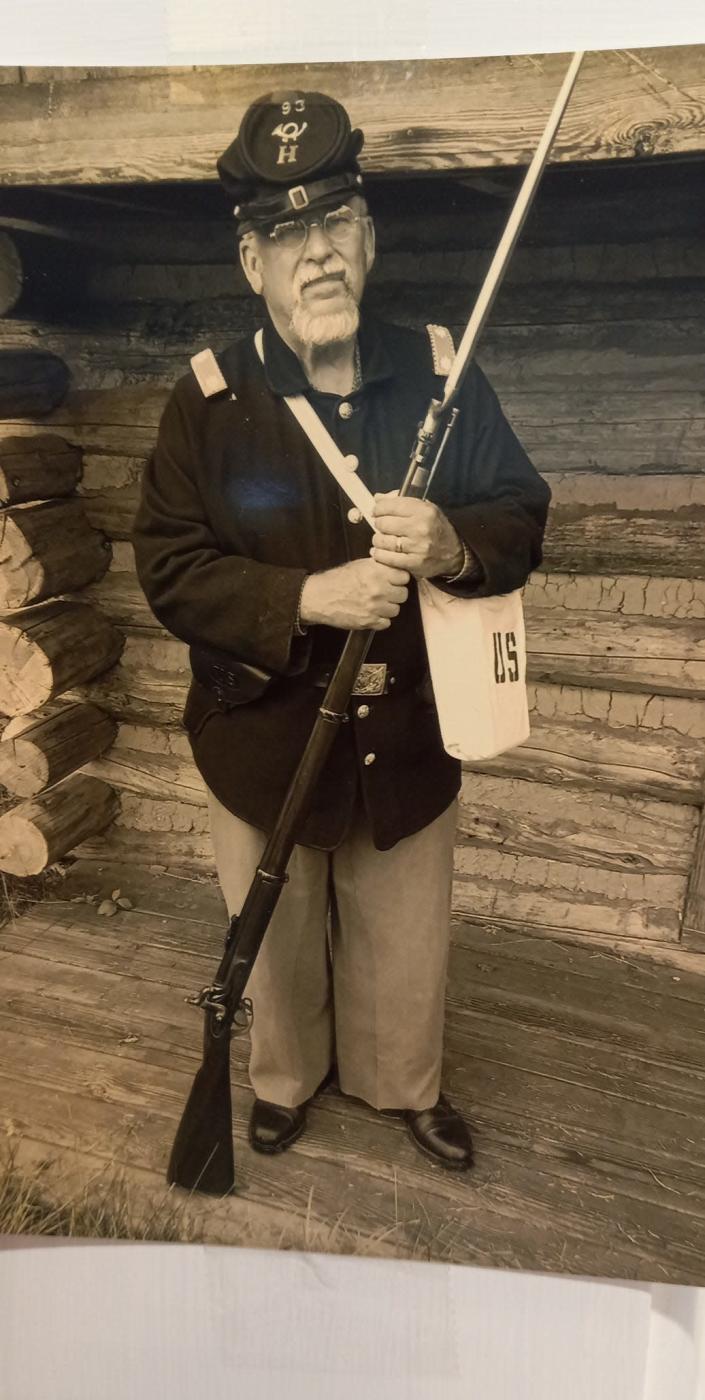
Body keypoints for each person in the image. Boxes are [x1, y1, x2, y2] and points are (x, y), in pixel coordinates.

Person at [133, 89, 550, 1173]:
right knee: (272, 940)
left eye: (333, 229)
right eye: (286, 237)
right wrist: (305, 601)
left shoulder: (437, 367)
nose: (315, 257)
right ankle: (281, 1081)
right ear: (251, 264)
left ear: (364, 240)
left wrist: (453, 540)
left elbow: (522, 506)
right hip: (262, 732)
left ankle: (401, 1083)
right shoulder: (209, 401)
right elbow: (169, 566)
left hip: (409, 727)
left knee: (405, 929)